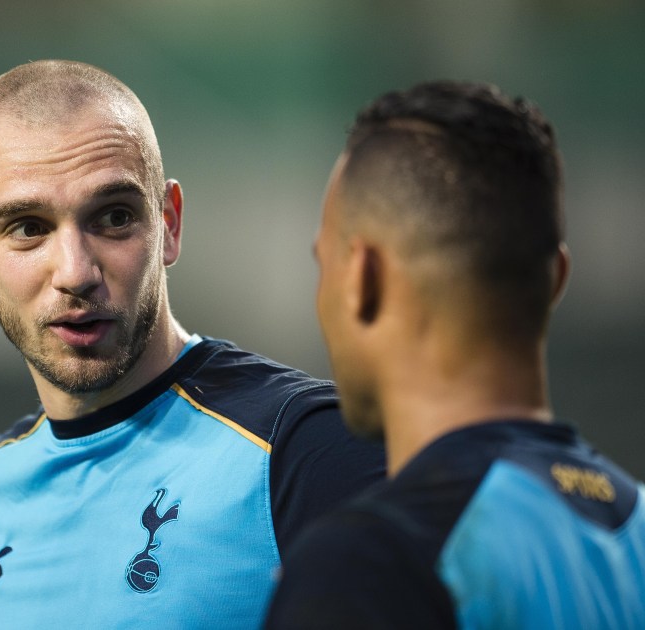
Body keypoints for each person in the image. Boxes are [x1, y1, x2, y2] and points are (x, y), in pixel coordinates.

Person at [0, 60, 385, 629]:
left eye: (113, 217)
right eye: (28, 228)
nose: (75, 271)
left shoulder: (308, 450)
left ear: (168, 222)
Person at [265, 81, 645, 628]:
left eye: (323, 262)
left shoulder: (369, 565)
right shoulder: (633, 532)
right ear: (558, 278)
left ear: (361, 278)